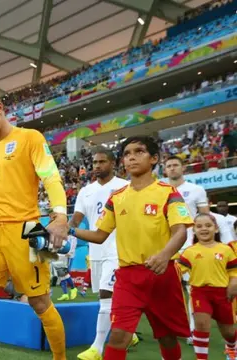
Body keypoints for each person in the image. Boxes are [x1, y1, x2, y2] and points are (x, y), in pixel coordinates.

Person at [0, 85, 69, 360]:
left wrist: (60, 215)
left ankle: (60, 358)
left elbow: (50, 176)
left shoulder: (30, 138)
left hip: (28, 228)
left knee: (40, 301)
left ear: (0, 108)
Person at [73, 136, 192, 360]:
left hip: (162, 275)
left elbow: (180, 231)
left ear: (154, 158)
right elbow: (99, 235)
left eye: (139, 152)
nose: (131, 157)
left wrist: (164, 255)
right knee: (118, 336)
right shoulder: (116, 198)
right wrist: (68, 231)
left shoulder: (168, 193)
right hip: (127, 278)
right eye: (127, 154)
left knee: (166, 336)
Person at [73, 148, 137, 360]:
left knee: (105, 294)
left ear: (112, 164)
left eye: (102, 162)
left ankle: (97, 348)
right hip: (96, 249)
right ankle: (129, 332)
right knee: (111, 294)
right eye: (94, 163)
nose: (97, 166)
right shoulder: (85, 191)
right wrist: (64, 229)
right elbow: (77, 219)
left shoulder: (125, 186)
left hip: (118, 249)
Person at [163, 155, 210, 344]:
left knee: (192, 289)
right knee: (168, 290)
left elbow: (205, 217)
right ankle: (173, 327)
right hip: (166, 248)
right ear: (164, 170)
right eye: (169, 166)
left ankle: (192, 330)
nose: (172, 168)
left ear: (183, 168)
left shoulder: (196, 190)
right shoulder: (161, 190)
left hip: (189, 247)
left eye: (175, 165)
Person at [178, 213, 237, 360]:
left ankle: (231, 347)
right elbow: (177, 271)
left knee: (228, 332)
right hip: (200, 293)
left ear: (216, 229)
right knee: (201, 324)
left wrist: (234, 283)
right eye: (199, 226)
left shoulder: (226, 249)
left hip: (223, 294)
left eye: (208, 225)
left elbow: (233, 270)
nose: (204, 229)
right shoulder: (189, 252)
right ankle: (201, 358)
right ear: (194, 230)